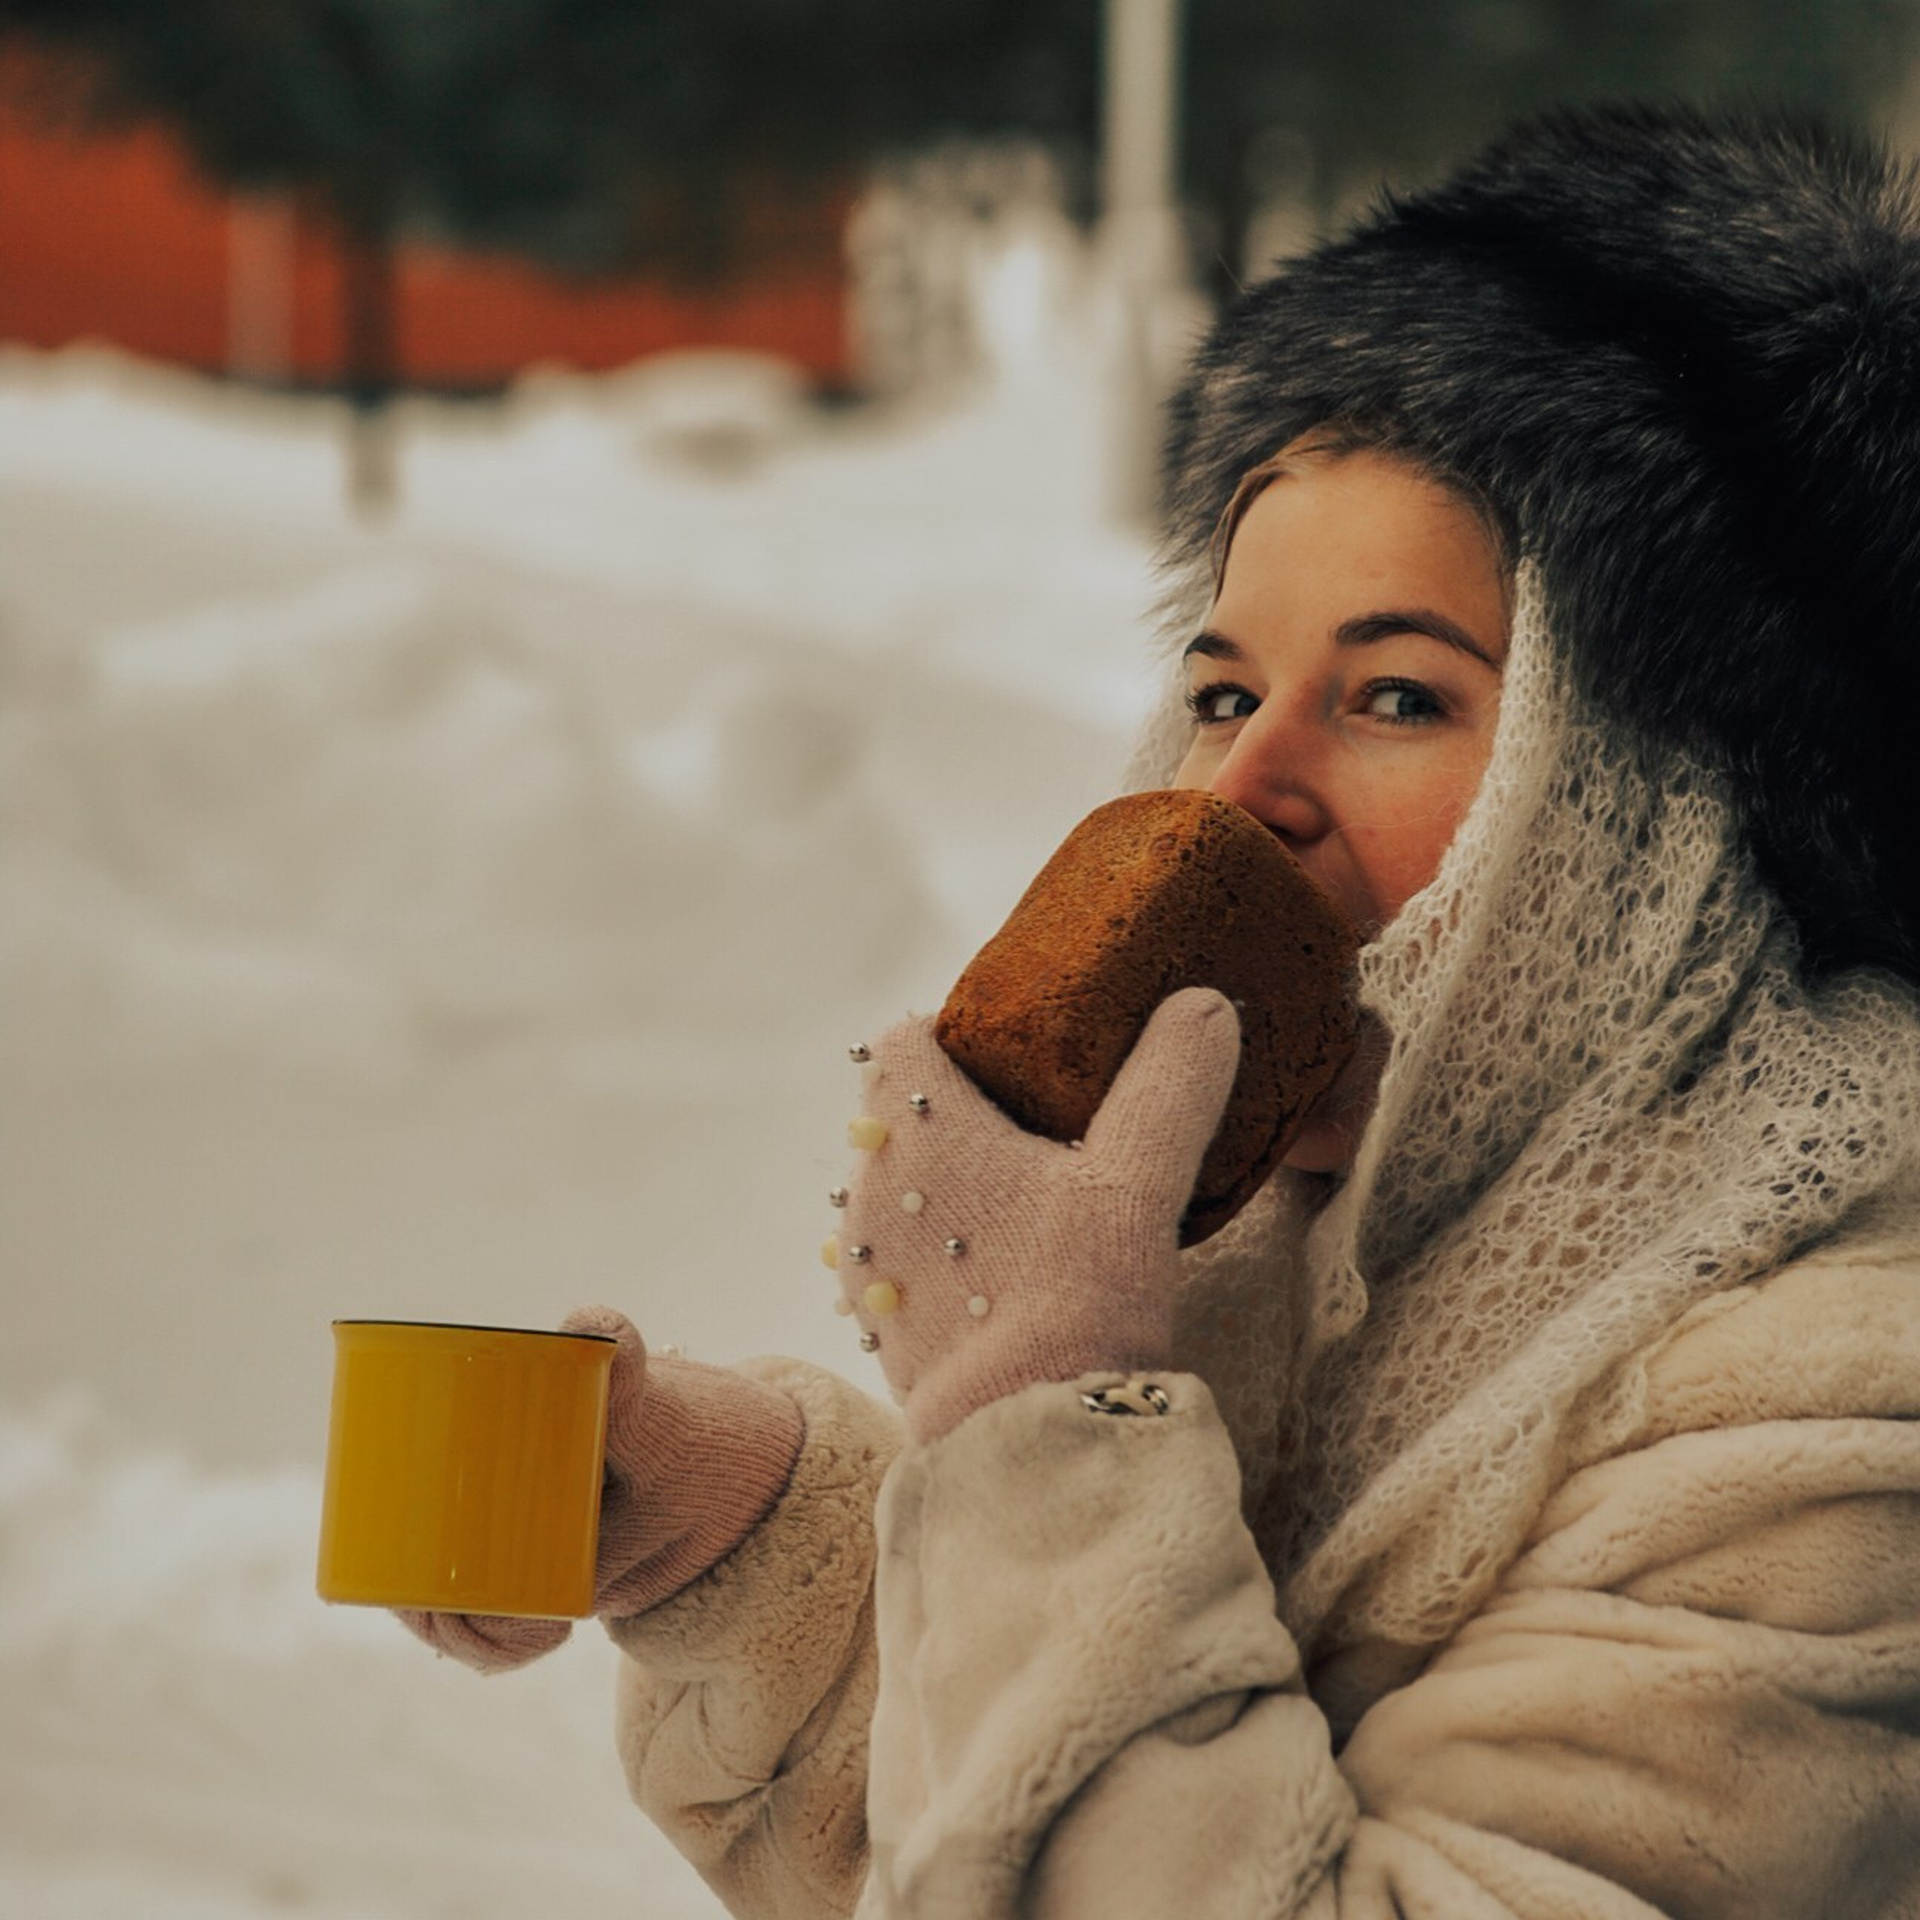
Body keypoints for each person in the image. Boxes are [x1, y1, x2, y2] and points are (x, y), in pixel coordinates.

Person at [402, 104, 1920, 1917]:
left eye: (1402, 698)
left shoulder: (1833, 1398)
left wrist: (1045, 1416)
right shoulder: (1268, 1243)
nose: (1240, 789)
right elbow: (1001, 1839)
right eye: (1221, 688)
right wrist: (756, 1539)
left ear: (1667, 810)